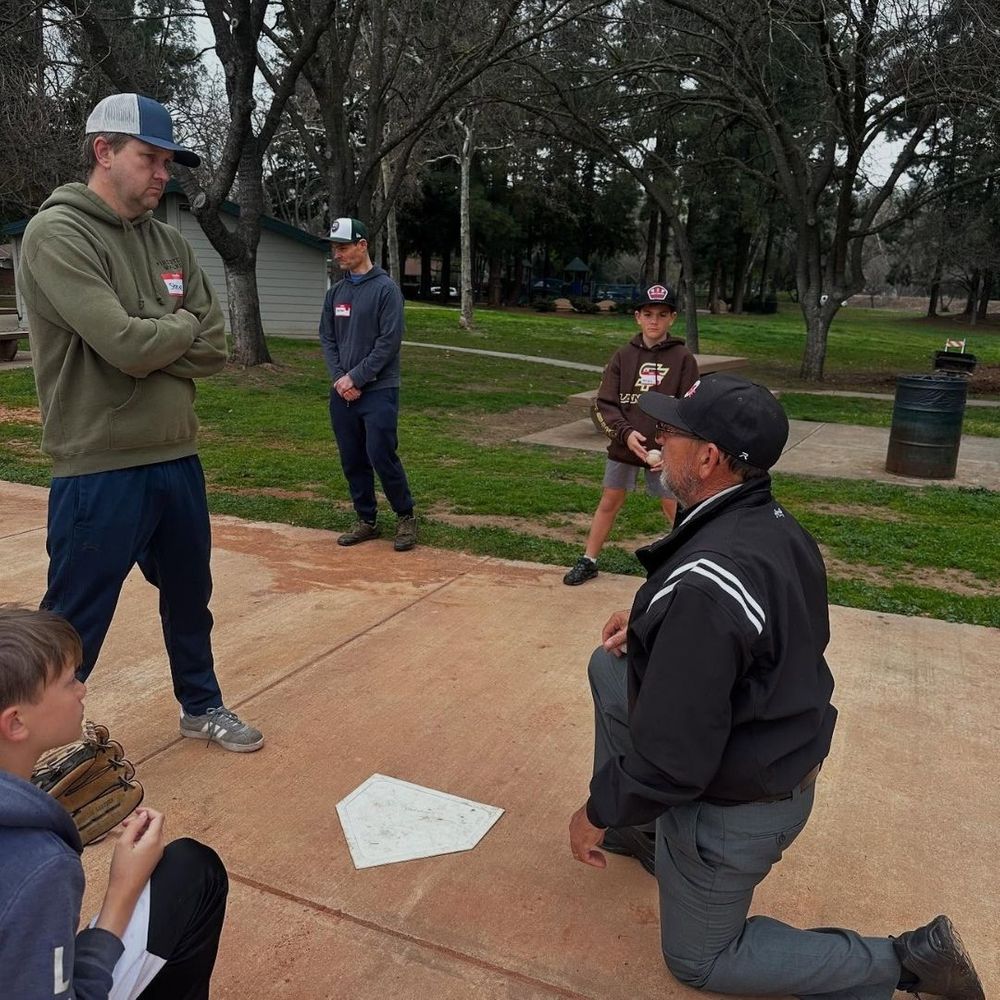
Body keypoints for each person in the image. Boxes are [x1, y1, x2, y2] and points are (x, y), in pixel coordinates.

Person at [567, 374, 984, 1000]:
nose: (657, 441)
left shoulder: (707, 588)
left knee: (701, 961)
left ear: (708, 458)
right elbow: (752, 631)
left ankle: (907, 963)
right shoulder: (769, 521)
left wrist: (598, 810)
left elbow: (673, 760)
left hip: (743, 804)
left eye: (672, 432)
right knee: (611, 667)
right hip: (776, 741)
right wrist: (657, 625)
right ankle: (645, 833)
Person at [17, 93, 262, 753]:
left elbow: (217, 346)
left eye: (167, 162)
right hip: (99, 462)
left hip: (175, 455)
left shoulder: (169, 241)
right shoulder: (57, 234)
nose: (163, 174)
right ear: (104, 151)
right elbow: (124, 342)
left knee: (190, 596)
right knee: (74, 618)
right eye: (149, 159)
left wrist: (160, 340)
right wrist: (172, 329)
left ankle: (201, 706)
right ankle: (34, 748)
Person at [0, 605, 229, 999]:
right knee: (193, 870)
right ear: (16, 723)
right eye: (69, 681)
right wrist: (123, 889)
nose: (82, 689)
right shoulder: (41, 866)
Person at [563, 284, 698, 586]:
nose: (654, 321)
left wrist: (671, 446)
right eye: (648, 314)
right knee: (610, 499)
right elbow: (605, 403)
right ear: (637, 317)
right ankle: (589, 559)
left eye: (662, 315)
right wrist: (625, 434)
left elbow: (689, 408)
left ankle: (689, 564)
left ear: (672, 318)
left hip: (665, 451)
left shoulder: (683, 358)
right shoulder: (623, 356)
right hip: (627, 444)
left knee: (673, 505)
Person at [319, 217, 418, 552]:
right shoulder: (337, 293)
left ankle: (405, 516)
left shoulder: (386, 290)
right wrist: (339, 379)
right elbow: (328, 338)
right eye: (335, 247)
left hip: (379, 390)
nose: (338, 254)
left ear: (362, 245)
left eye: (343, 247)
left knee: (380, 453)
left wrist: (356, 377)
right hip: (343, 393)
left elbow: (388, 343)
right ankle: (366, 520)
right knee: (352, 458)